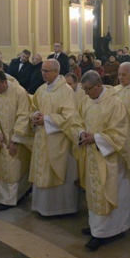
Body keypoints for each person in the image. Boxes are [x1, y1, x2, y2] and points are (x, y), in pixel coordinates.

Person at [73, 71, 130, 251]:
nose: (86, 93)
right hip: (92, 156)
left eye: (88, 89)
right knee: (94, 193)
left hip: (111, 159)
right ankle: (96, 227)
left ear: (98, 85)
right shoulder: (86, 100)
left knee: (109, 192)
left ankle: (107, 232)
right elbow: (77, 120)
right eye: (84, 90)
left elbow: (120, 134)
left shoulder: (115, 104)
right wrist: (81, 133)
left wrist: (96, 138)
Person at [29, 59, 79, 217]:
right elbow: (34, 107)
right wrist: (35, 116)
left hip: (58, 140)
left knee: (57, 173)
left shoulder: (66, 91)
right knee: (42, 171)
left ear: (57, 72)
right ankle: (41, 207)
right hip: (42, 138)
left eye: (46, 71)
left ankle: (60, 208)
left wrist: (47, 119)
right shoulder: (42, 89)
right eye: (42, 70)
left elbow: (70, 117)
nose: (43, 73)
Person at [0, 70, 34, 211]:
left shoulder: (19, 92)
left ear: (5, 82)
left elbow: (23, 116)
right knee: (3, 169)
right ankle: (7, 198)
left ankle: (13, 197)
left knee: (14, 169)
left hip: (17, 138)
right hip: (2, 139)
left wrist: (15, 140)